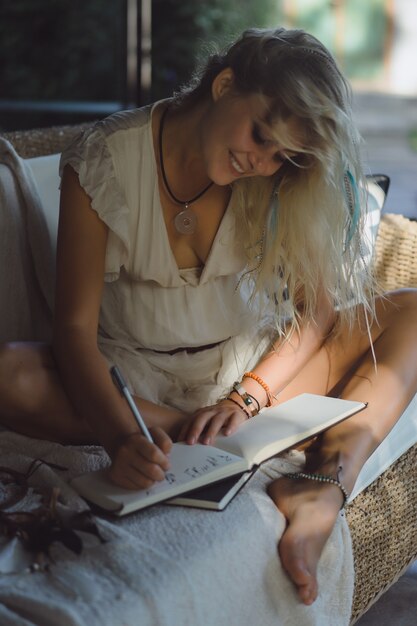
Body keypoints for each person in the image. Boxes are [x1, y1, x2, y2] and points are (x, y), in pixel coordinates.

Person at [1, 26, 417, 607]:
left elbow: (317, 314)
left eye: (282, 156)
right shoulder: (103, 159)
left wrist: (247, 397)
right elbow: (73, 331)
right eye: (261, 135)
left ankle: (324, 485)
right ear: (224, 85)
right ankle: (197, 435)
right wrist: (122, 435)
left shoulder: (279, 181)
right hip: (138, 381)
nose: (262, 163)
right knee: (9, 374)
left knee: (413, 310)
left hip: (256, 382)